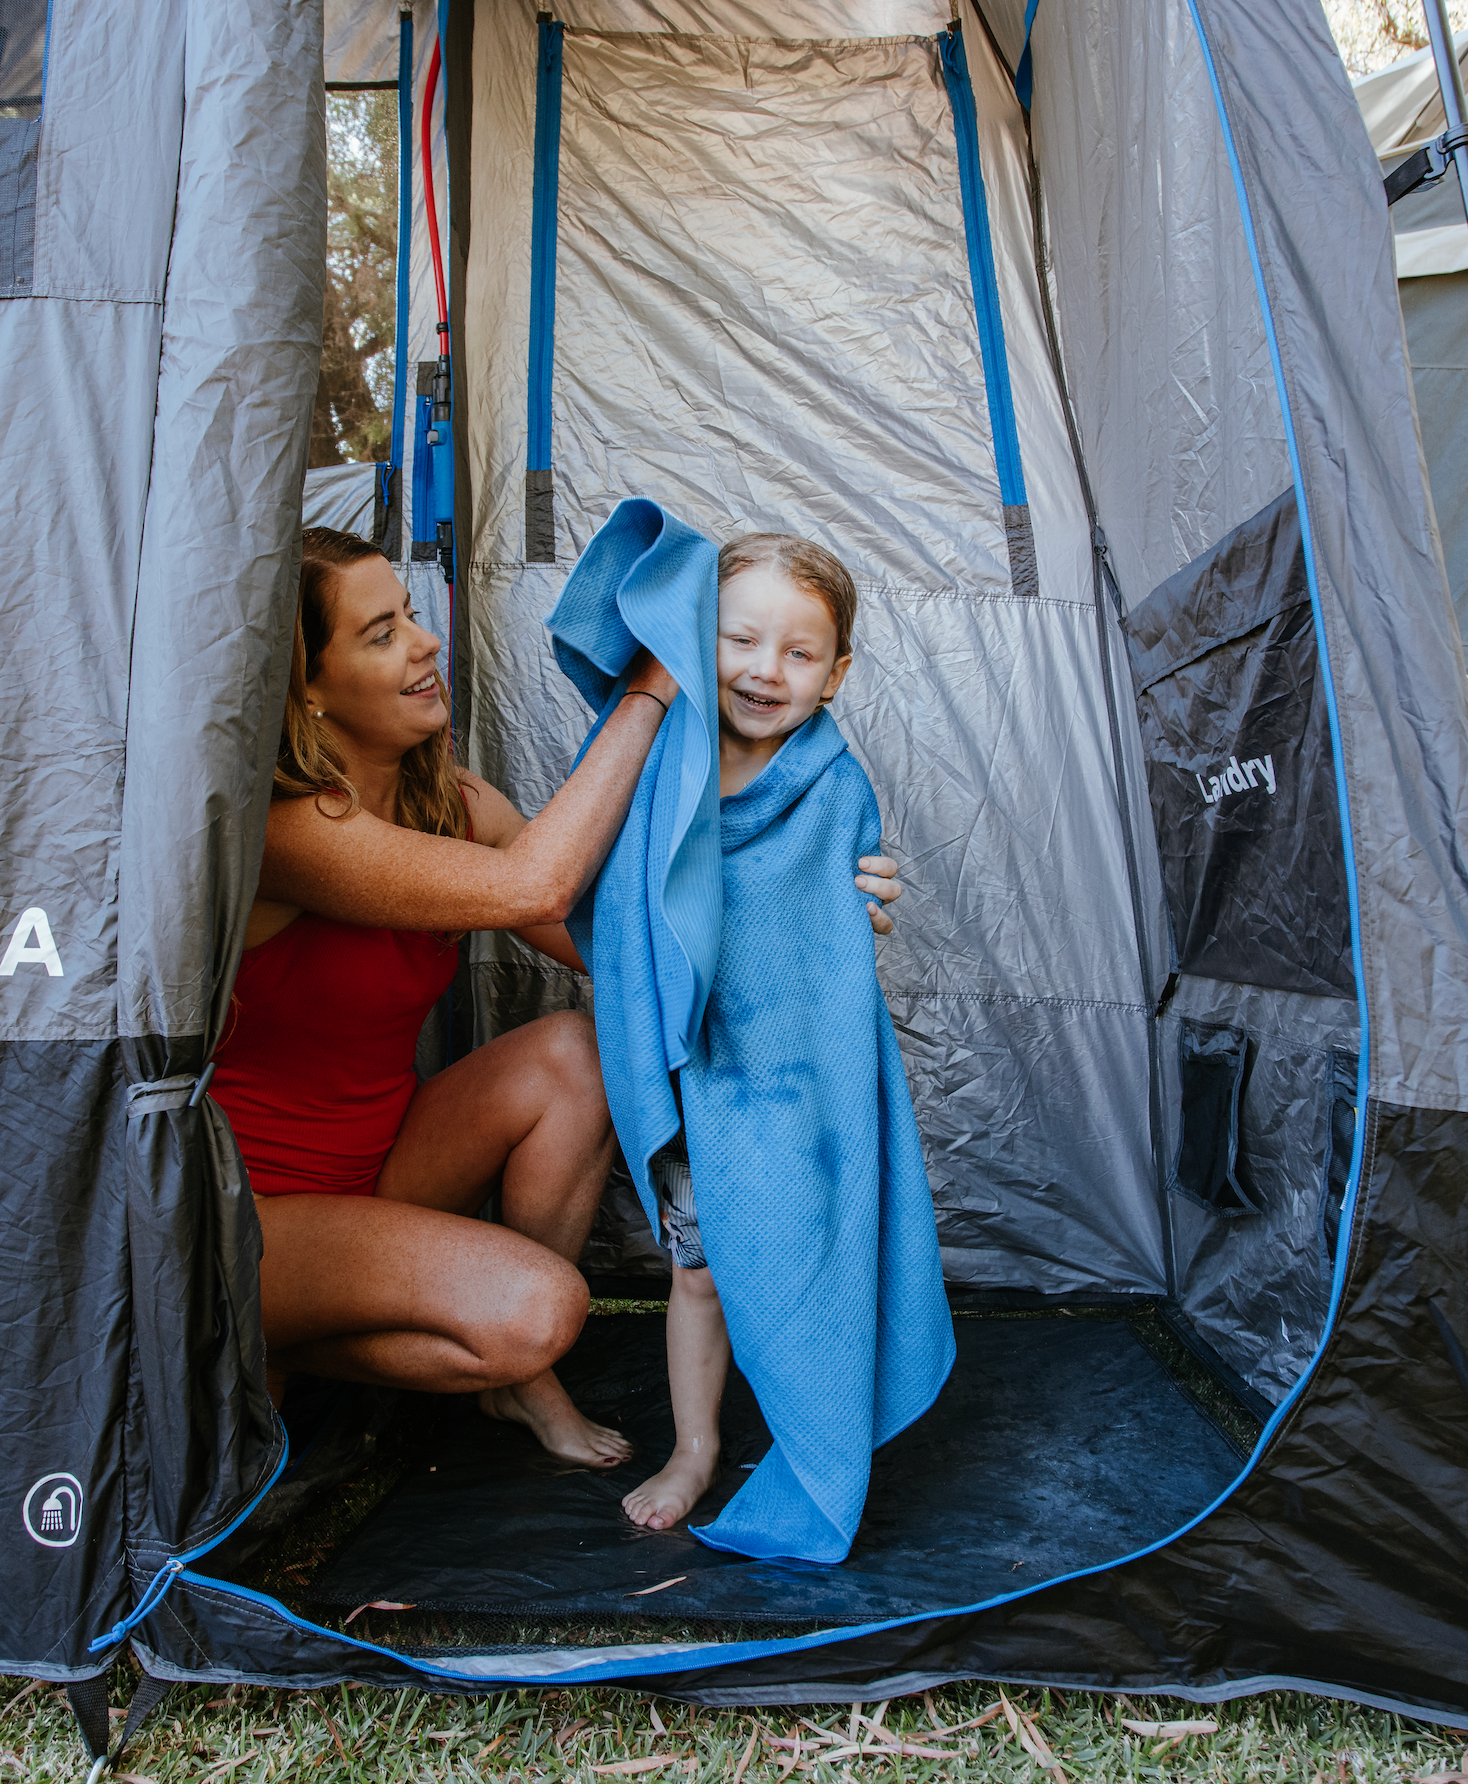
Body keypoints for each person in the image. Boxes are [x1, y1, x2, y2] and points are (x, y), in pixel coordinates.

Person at [210, 527, 904, 1469]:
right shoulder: (284, 830)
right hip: (252, 1212)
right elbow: (534, 886)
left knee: (578, 1050)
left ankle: (466, 1362)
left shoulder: (453, 804)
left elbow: (626, 947)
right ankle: (259, 1339)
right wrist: (652, 684)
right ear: (308, 687)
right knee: (541, 1312)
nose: (425, 641)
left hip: (387, 1167)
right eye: (382, 634)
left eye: (410, 614)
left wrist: (813, 904)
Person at [618, 534, 952, 1543]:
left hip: (796, 1084)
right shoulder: (659, 758)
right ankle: (695, 1446)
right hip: (695, 1070)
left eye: (799, 653)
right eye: (740, 640)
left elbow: (825, 935)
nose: (766, 670)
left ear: (835, 674)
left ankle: (810, 1432)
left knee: (802, 1252)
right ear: (697, 639)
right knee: (699, 1273)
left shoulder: (834, 785)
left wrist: (859, 912)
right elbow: (619, 899)